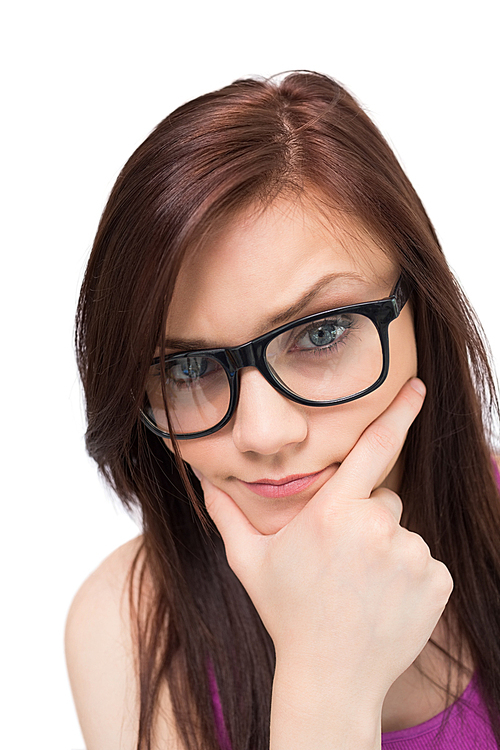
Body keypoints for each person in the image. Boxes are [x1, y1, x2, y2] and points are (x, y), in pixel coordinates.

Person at [65, 72, 500, 750]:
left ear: (424, 311)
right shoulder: (128, 623)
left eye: (321, 334)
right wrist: (328, 683)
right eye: (186, 369)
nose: (264, 433)